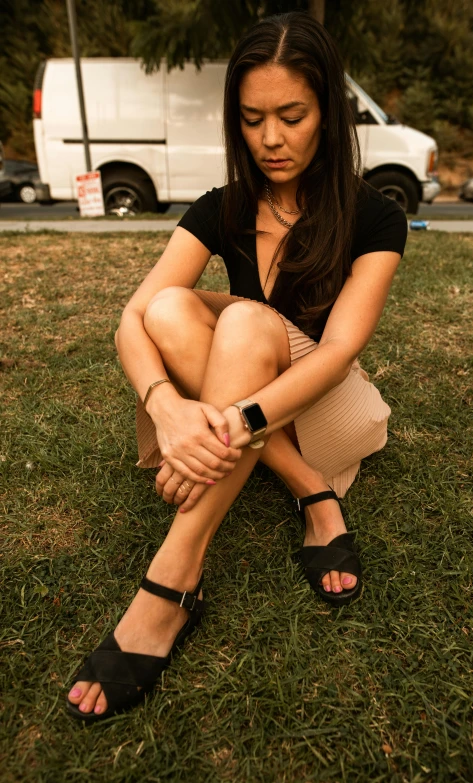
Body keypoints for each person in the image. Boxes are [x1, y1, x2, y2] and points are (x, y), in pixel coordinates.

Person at [66, 11, 407, 722]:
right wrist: (166, 407)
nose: (272, 139)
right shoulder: (223, 207)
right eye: (253, 119)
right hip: (251, 405)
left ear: (328, 115)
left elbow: (341, 349)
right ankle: (308, 489)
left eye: (292, 115)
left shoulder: (375, 216)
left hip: (328, 407)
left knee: (245, 316)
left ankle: (172, 575)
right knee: (165, 308)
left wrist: (224, 423)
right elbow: (133, 317)